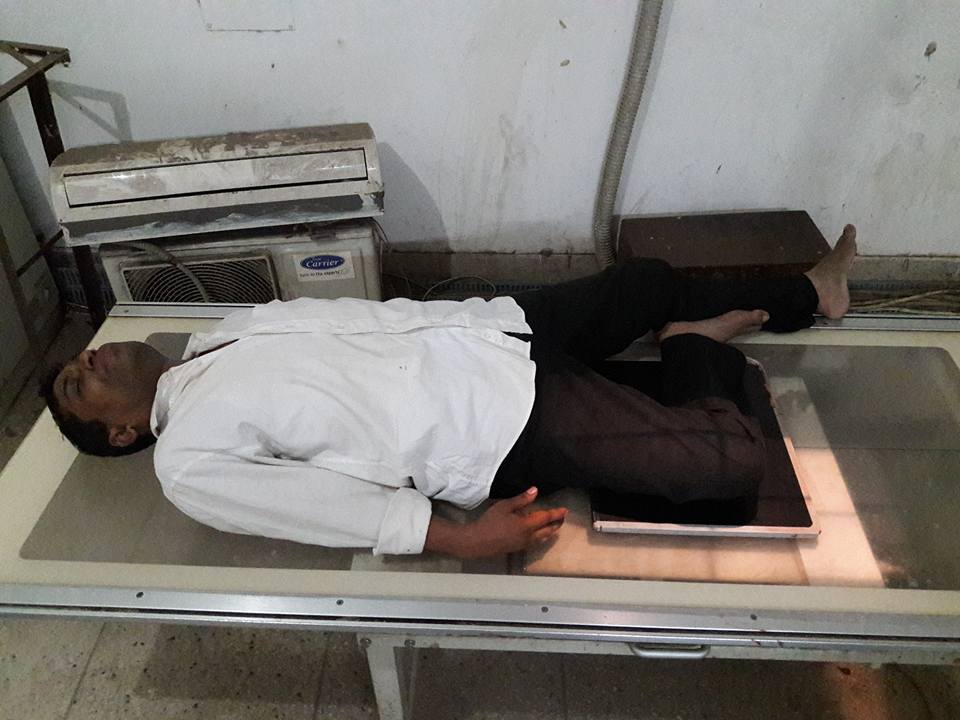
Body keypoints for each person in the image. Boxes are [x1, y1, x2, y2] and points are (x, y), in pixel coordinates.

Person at [41, 225, 858, 559]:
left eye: (80, 358)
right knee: (727, 462)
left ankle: (809, 294)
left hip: (492, 330)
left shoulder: (221, 335)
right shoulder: (186, 459)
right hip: (495, 424)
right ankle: (694, 347)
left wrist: (492, 317)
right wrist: (456, 538)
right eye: (81, 383)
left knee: (642, 282)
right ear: (120, 434)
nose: (91, 359)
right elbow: (320, 508)